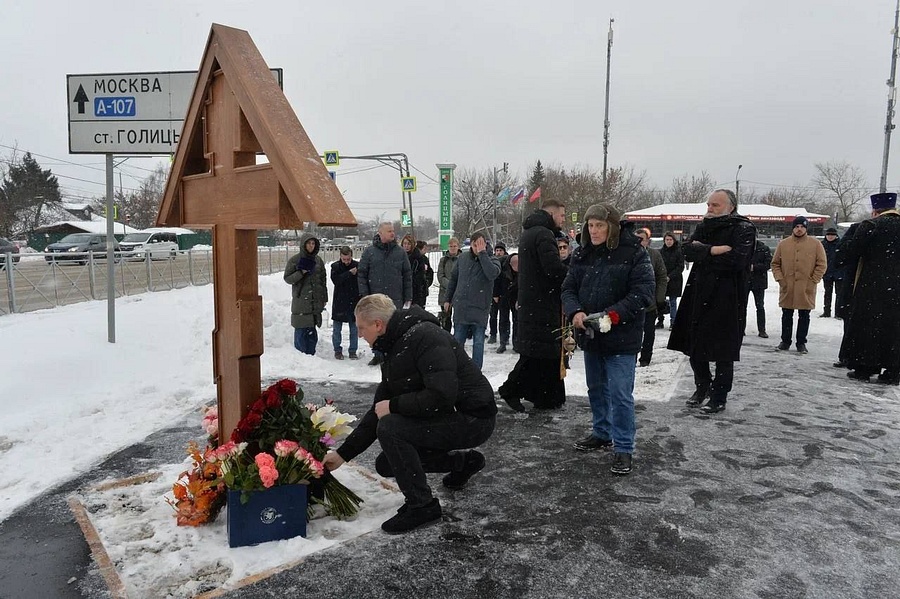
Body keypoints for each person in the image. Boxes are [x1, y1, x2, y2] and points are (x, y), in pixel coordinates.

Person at [321, 294, 497, 534]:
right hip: (449, 414)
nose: (360, 334)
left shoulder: (425, 337)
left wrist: (394, 406)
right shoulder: (394, 345)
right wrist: (342, 454)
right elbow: (378, 410)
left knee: (391, 428)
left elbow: (442, 394)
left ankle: (422, 506)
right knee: (387, 463)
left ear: (378, 325)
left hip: (473, 418)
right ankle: (463, 462)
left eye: (362, 328)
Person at [561, 204, 655, 475]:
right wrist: (576, 310)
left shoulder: (634, 253)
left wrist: (613, 316)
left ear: (612, 226)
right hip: (591, 336)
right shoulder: (582, 254)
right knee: (596, 388)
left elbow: (643, 293)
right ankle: (602, 431)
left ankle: (624, 447)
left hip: (622, 338)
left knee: (620, 394)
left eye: (599, 225)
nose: (594, 231)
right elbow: (568, 288)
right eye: (590, 225)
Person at [667, 189, 756, 414]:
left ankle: (719, 395)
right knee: (695, 346)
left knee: (723, 350)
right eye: (708, 205)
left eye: (715, 205)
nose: (710, 209)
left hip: (728, 295)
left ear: (731, 207)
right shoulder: (704, 226)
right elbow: (686, 251)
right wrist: (714, 250)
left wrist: (703, 254)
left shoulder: (743, 228)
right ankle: (702, 386)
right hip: (698, 292)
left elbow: (736, 260)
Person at [498, 199, 570, 411]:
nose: (563, 219)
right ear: (551, 214)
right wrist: (572, 274)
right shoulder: (544, 234)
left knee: (541, 354)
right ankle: (511, 389)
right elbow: (553, 269)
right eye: (562, 215)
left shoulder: (530, 233)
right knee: (538, 354)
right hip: (543, 303)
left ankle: (546, 397)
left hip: (534, 301)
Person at [835, 192, 900, 384]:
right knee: (894, 329)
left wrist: (849, 238)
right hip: (897, 291)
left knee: (868, 327)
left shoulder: (870, 226)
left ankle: (864, 367)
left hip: (871, 288)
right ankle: (893, 371)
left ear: (874, 211)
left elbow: (845, 256)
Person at [358, 222, 412, 365]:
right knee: (376, 326)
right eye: (389, 231)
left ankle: (393, 355)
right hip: (375, 299)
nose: (392, 233)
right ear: (380, 233)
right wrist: (365, 295)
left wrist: (408, 297)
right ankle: (378, 354)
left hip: (395, 298)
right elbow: (362, 274)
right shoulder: (370, 252)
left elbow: (407, 275)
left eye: (393, 231)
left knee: (394, 327)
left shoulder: (400, 252)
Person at [444, 232, 501, 369]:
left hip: (480, 307)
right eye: (475, 245)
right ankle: (456, 369)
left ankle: (475, 372)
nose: (478, 248)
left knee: (478, 342)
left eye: (481, 245)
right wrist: (448, 299)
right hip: (462, 307)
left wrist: (483, 255)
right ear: (471, 245)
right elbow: (454, 280)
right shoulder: (462, 258)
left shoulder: (492, 259)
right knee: (457, 341)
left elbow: (492, 273)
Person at [771, 216, 827, 354]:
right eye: (797, 227)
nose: (799, 229)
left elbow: (822, 264)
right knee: (786, 315)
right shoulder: (783, 244)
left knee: (804, 315)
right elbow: (775, 264)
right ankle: (785, 341)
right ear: (793, 228)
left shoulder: (815, 244)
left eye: (802, 227)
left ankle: (801, 342)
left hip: (806, 286)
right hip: (787, 286)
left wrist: (813, 280)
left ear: (806, 228)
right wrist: (780, 279)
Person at [284, 232, 327, 356]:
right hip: (301, 302)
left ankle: (311, 357)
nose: (311, 246)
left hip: (315, 303)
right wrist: (300, 272)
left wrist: (324, 297)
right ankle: (300, 358)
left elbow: (322, 280)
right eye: (308, 243)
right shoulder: (295, 260)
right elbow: (287, 278)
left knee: (312, 333)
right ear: (303, 244)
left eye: (313, 243)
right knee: (301, 332)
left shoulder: (318, 261)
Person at [635, 228, 668, 367]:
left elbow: (661, 276)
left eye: (642, 239)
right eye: (637, 239)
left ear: (648, 240)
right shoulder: (628, 254)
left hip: (650, 303)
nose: (639, 242)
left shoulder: (654, 255)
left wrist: (659, 298)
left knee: (649, 333)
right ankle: (631, 356)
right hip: (633, 303)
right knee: (634, 334)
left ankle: (645, 358)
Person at [330, 246, 360, 360]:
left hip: (353, 301)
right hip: (340, 301)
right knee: (337, 329)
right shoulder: (335, 267)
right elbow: (336, 280)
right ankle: (337, 350)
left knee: (354, 329)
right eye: (344, 259)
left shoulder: (357, 266)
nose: (346, 262)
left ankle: (353, 350)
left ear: (351, 256)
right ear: (340, 257)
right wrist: (349, 273)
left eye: (348, 259)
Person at [746, 239, 772, 338]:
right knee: (741, 306)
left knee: (760, 306)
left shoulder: (764, 248)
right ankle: (740, 328)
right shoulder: (744, 246)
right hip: (745, 280)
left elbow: (768, 264)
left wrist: (754, 267)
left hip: (759, 281)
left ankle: (762, 330)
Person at [658, 232, 685, 329]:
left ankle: (673, 322)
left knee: (673, 301)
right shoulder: (661, 252)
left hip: (675, 280)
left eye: (670, 240)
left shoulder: (679, 251)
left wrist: (670, 276)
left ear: (674, 240)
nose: (668, 242)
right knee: (660, 301)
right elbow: (658, 265)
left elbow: (680, 267)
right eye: (667, 240)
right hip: (662, 280)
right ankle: (660, 320)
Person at [494, 252, 519, 354]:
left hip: (516, 297)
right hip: (503, 296)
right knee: (503, 319)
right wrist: (495, 294)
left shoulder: (524, 269)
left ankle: (516, 343)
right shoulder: (502, 267)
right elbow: (496, 281)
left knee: (517, 320)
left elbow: (524, 284)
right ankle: (503, 342)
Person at [436, 237, 461, 333]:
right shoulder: (443, 260)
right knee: (446, 317)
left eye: (455, 246)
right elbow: (440, 276)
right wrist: (450, 285)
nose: (453, 248)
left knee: (459, 318)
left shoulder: (463, 259)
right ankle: (447, 335)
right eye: (451, 246)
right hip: (445, 293)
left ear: (458, 247)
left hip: (459, 292)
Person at [401, 234, 432, 308]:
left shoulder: (418, 258)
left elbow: (423, 275)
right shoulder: (399, 256)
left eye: (409, 244)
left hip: (417, 291)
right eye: (405, 243)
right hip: (402, 290)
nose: (406, 246)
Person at [820, 227, 844, 318]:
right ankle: (826, 311)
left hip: (839, 272)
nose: (830, 236)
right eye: (828, 234)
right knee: (827, 293)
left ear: (836, 235)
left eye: (832, 235)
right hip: (827, 272)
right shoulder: (822, 245)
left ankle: (838, 312)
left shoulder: (841, 244)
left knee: (839, 294)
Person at [488, 241, 508, 344]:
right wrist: (494, 294)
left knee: (504, 317)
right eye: (497, 250)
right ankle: (493, 334)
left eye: (500, 250)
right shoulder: (492, 261)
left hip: (505, 293)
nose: (499, 252)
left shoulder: (508, 261)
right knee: (493, 315)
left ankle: (505, 336)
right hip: (493, 292)